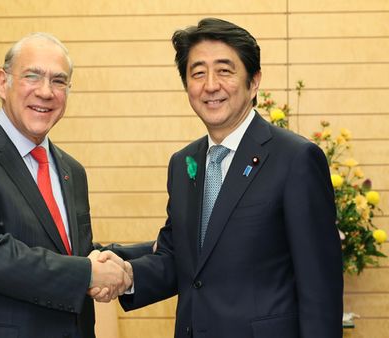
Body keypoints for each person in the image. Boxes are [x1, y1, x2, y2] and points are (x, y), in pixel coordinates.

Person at [116, 18, 344, 338]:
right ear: (187, 86)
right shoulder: (183, 164)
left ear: (254, 82)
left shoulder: (295, 159)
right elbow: (179, 259)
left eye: (224, 70)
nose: (210, 85)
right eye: (198, 72)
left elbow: (320, 288)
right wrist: (125, 274)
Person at [0, 32, 144, 338]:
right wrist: (88, 273)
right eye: (33, 76)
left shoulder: (72, 170)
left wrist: (155, 251)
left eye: (59, 81)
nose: (46, 92)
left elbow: (71, 255)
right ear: (3, 83)